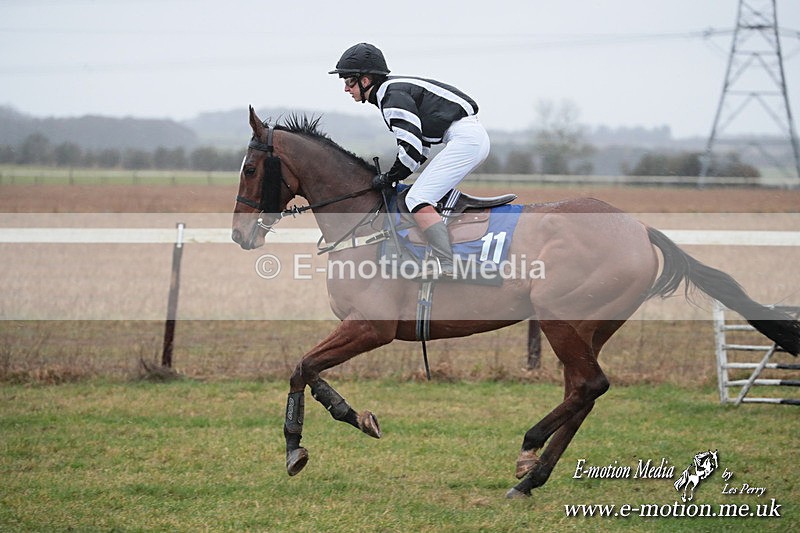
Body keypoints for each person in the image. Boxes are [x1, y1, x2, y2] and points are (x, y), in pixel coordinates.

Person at [329, 43, 490, 277]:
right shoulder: (391, 92)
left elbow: (411, 148)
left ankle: (446, 263)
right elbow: (420, 148)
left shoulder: (391, 96)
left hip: (466, 140)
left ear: (365, 80)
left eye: (349, 81)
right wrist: (395, 175)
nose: (346, 88)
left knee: (417, 198)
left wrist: (390, 177)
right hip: (467, 138)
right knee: (417, 195)